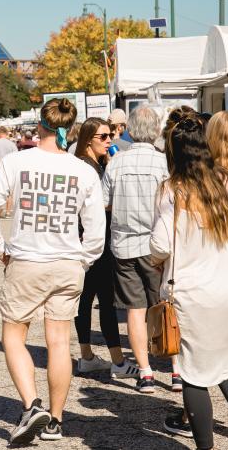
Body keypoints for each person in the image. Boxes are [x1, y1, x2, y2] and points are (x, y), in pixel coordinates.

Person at [0, 98, 106, 444]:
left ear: (40, 125)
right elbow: (96, 228)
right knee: (59, 342)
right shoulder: (83, 170)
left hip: (28, 260)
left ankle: (32, 405)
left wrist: (0, 249)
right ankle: (56, 421)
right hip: (68, 263)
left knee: (14, 336)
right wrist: (84, 259)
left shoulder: (18, 162)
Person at [150, 116, 228, 450]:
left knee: (193, 373)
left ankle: (205, 446)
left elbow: (159, 246)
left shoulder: (172, 190)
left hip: (193, 298)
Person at [101, 105, 169, 393]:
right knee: (164, 307)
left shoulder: (116, 163)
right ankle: (177, 371)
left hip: (125, 245)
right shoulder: (164, 163)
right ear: (156, 131)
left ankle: (145, 372)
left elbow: (105, 201)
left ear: (129, 130)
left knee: (135, 310)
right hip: (157, 245)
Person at [72, 118, 136, 377]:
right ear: (88, 140)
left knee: (87, 300)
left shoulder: (96, 165)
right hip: (94, 241)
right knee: (104, 300)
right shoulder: (87, 169)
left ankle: (88, 356)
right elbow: (97, 205)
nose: (110, 140)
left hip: (89, 239)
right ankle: (118, 362)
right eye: (104, 136)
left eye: (110, 135)